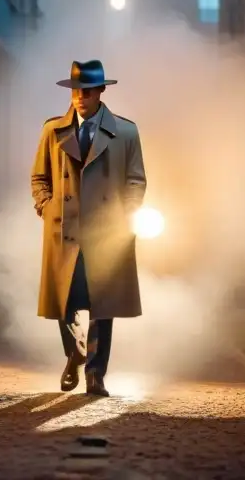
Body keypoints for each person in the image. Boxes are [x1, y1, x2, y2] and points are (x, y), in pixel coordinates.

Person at [31, 59, 147, 397]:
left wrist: (126, 216)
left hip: (105, 233)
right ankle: (75, 353)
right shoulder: (52, 130)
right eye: (76, 91)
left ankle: (96, 376)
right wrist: (45, 206)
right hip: (64, 229)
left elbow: (136, 180)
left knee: (102, 305)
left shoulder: (125, 131)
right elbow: (39, 177)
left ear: (100, 92)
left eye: (87, 91)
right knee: (64, 303)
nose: (80, 97)